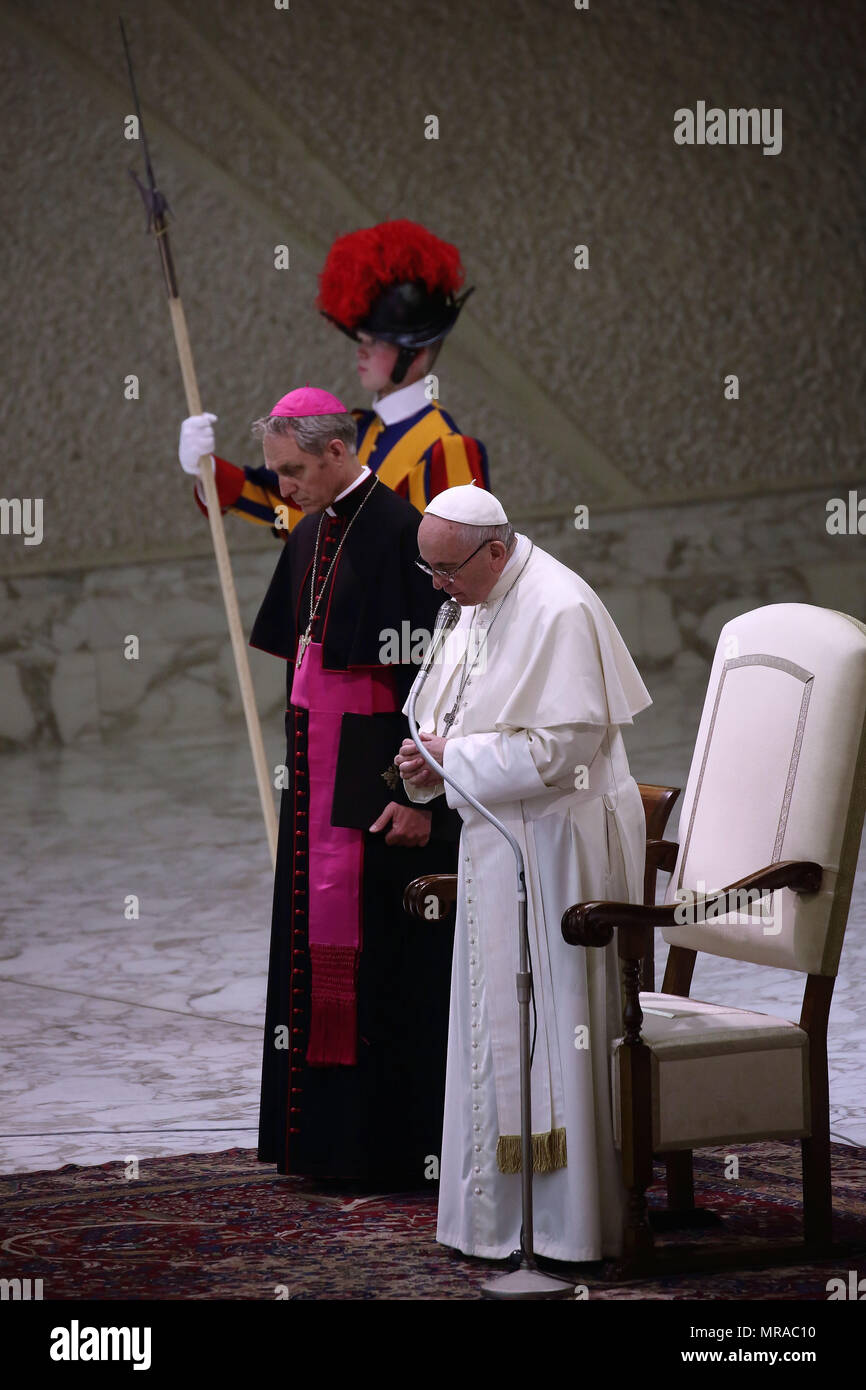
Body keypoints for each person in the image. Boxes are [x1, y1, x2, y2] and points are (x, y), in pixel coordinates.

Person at [394, 483, 653, 1261]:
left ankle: (569, 1226)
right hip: (498, 842)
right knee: (492, 1024)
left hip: (559, 848)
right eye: (427, 569)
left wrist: (454, 758)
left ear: (496, 552)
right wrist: (431, 761)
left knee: (557, 1028)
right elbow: (450, 717)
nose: (438, 587)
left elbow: (559, 754)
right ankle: (492, 1218)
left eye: (447, 570)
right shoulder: (476, 603)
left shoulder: (559, 609)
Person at [249, 386, 460, 1186]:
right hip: (313, 788)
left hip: (379, 786)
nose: (284, 488)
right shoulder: (307, 535)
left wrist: (412, 794)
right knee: (308, 948)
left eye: (294, 470)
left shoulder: (406, 536)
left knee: (386, 962)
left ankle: (388, 1149)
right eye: (275, 474)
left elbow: (428, 684)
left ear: (337, 451)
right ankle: (318, 1143)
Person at [177, 220, 488, 536]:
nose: (361, 351)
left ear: (416, 352)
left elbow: (452, 566)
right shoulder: (355, 428)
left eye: (376, 342)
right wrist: (206, 469)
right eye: (362, 339)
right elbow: (283, 503)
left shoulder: (445, 448)